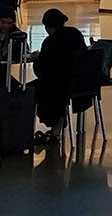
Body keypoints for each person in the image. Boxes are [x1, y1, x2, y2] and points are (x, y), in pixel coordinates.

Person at [29, 8, 89, 144]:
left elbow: (41, 72)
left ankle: (55, 121)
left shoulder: (50, 42)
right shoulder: (76, 34)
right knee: (55, 85)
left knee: (30, 91)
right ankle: (58, 123)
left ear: (48, 26)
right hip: (81, 85)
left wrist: (36, 59)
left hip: (59, 88)